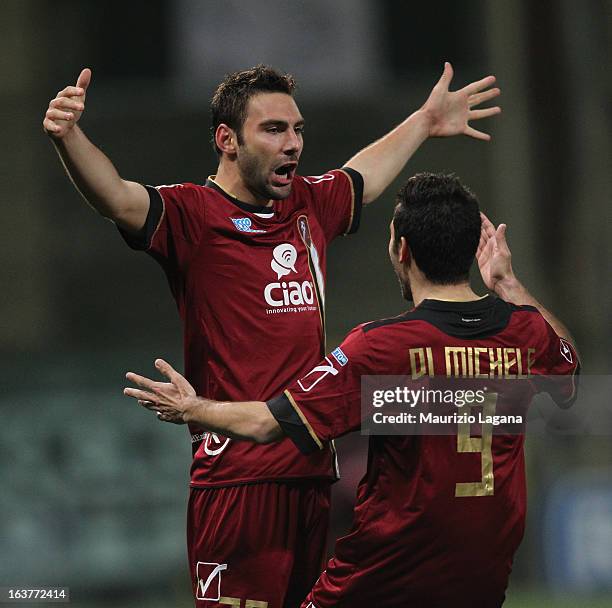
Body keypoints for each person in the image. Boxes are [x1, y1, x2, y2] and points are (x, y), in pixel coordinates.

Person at [44, 65, 500, 607]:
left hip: (309, 480)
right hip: (237, 482)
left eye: (298, 130)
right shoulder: (193, 214)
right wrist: (68, 137)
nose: (293, 144)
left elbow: (361, 177)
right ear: (226, 140)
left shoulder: (306, 205)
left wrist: (424, 122)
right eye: (275, 130)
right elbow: (117, 198)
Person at [125, 173, 580, 608]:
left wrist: (192, 408)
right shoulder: (525, 333)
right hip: (482, 574)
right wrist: (507, 283)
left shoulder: (382, 347)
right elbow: (569, 377)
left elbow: (268, 424)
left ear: (402, 250)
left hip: (384, 575)